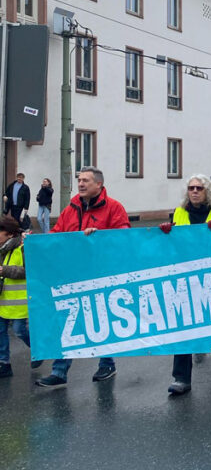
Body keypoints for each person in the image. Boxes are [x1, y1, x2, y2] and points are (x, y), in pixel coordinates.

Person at [36, 166, 130, 388]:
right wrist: (37, 242)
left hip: (102, 275)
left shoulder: (114, 207)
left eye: (86, 180)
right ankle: (59, 371)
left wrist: (99, 236)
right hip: (73, 274)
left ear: (99, 184)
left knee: (101, 320)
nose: (80, 183)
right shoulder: (72, 208)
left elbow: (124, 236)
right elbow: (58, 234)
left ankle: (107, 364)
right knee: (68, 321)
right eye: (79, 180)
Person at [160, 175, 211, 395]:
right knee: (183, 328)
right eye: (191, 188)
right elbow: (170, 246)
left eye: (199, 188)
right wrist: (164, 233)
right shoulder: (179, 213)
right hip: (185, 279)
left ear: (207, 191)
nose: (194, 191)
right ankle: (181, 378)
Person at [0, 216, 38, 377]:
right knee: (0, 331)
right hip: (3, 300)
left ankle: (38, 350)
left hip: (20, 302)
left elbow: (30, 271)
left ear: (9, 234)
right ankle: (4, 363)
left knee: (19, 331)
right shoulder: (2, 248)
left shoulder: (22, 248)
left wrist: (5, 270)